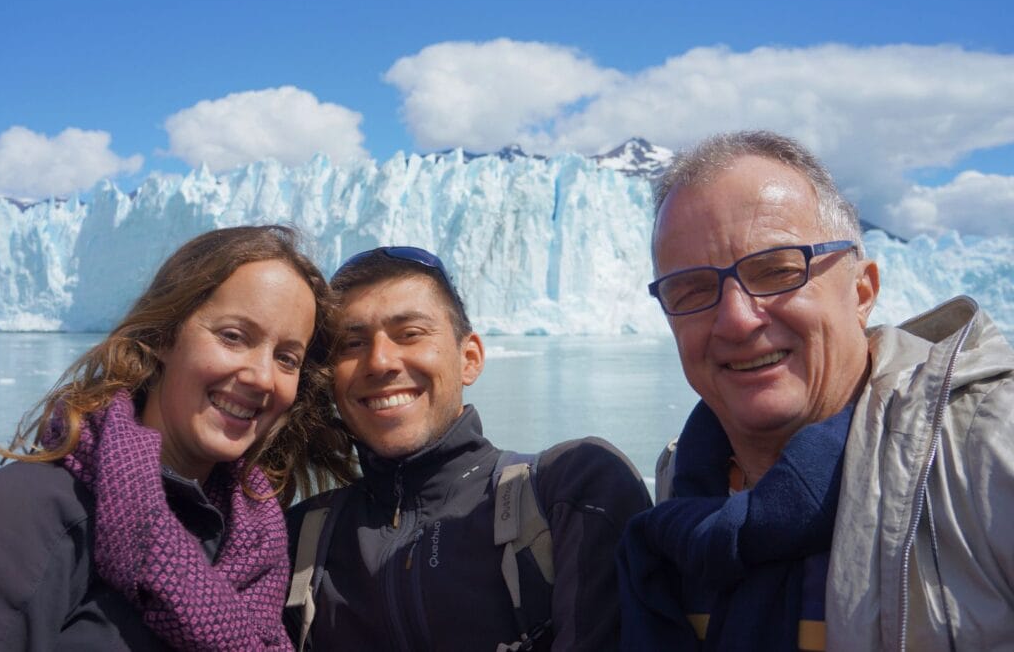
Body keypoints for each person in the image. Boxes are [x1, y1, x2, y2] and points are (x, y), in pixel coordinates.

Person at [618, 130, 1014, 651]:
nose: (736, 321)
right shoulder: (684, 482)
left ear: (862, 292)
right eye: (691, 289)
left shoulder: (982, 446)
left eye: (778, 271)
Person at [0, 225, 355, 651]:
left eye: (286, 358)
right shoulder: (30, 512)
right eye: (233, 336)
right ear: (164, 336)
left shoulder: (259, 542)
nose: (261, 377)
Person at [284, 246, 653, 651]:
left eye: (410, 334)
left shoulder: (569, 491)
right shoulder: (300, 539)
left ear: (470, 358)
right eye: (351, 344)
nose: (380, 361)